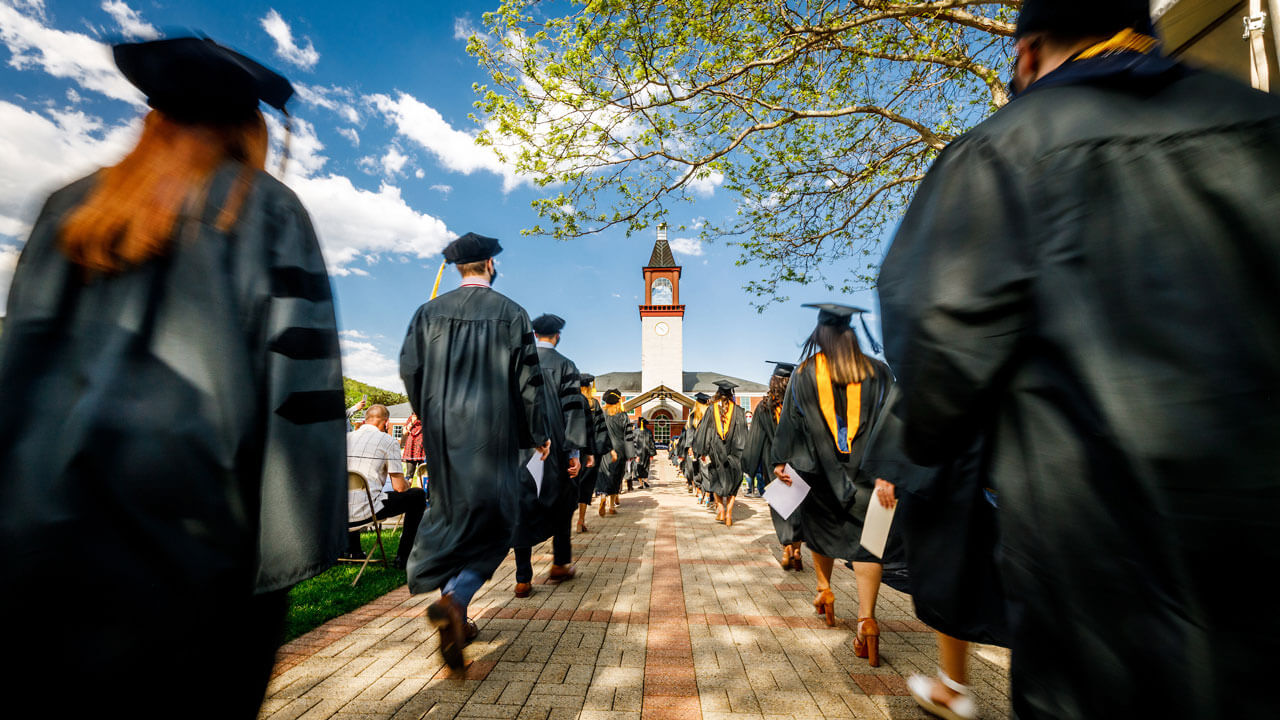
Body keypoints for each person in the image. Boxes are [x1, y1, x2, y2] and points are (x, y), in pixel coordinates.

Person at [877, 0, 1280, 716]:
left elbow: (936, 372)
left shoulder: (1002, 152)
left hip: (1107, 590)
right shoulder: (1259, 122)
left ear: (1026, 54)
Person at [0, 37, 345, 717]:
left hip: (45, 544)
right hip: (195, 551)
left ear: (152, 118)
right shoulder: (267, 209)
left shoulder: (67, 207)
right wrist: (288, 552)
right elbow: (296, 398)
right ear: (249, 128)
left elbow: (18, 377)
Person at [399, 231, 549, 670]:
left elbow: (411, 371)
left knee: (450, 517)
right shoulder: (511, 313)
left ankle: (455, 610)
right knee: (498, 523)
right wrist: (536, 434)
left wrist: (427, 412)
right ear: (489, 264)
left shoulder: (428, 312)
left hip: (444, 438)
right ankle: (457, 599)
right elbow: (528, 384)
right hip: (494, 435)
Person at [772, 304, 895, 666]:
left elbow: (791, 425)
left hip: (818, 472)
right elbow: (893, 422)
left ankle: (825, 591)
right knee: (870, 545)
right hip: (872, 475)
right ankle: (867, 619)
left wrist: (781, 461)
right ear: (852, 334)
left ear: (820, 336)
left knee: (821, 532)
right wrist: (890, 471)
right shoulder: (880, 372)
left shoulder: (804, 373)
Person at [511, 314, 586, 597]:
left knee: (522, 508)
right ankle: (559, 564)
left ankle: (522, 579)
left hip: (521, 450)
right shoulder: (566, 365)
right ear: (557, 336)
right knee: (563, 502)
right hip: (554, 450)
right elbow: (573, 411)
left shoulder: (518, 365)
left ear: (533, 333)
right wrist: (574, 452)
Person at [347, 405, 426, 570]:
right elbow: (399, 488)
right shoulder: (388, 441)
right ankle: (404, 558)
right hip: (367, 512)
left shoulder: (345, 438)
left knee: (351, 494)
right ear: (386, 423)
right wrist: (406, 482)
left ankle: (353, 551)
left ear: (364, 420)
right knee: (417, 496)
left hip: (338, 515)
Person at [743, 362, 803, 569]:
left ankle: (786, 548)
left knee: (780, 507)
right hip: (799, 462)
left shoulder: (763, 406)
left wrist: (749, 465)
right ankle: (797, 550)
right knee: (798, 507)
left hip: (773, 463)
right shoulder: (800, 403)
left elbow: (755, 438)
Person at [695, 380, 748, 525]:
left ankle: (721, 510)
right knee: (733, 484)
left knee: (716, 480)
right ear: (731, 395)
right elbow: (743, 435)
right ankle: (729, 514)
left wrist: (703, 451)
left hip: (716, 453)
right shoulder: (739, 411)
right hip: (735, 454)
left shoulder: (711, 410)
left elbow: (704, 432)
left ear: (718, 394)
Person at [575, 373, 608, 532]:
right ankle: (580, 520)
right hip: (590, 452)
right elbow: (602, 431)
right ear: (588, 387)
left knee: (570, 487)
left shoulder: (569, 401)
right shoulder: (593, 404)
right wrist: (598, 450)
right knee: (586, 487)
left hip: (572, 450)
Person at [594, 388, 633, 515]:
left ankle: (603, 497)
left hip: (604, 448)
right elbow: (628, 435)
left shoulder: (601, 414)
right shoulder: (623, 415)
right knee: (616, 476)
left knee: (604, 474)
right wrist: (630, 454)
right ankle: (611, 507)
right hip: (619, 449)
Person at [401, 412, 424, 480]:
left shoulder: (427, 417)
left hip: (423, 449)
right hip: (411, 448)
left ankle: (422, 490)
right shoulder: (411, 418)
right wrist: (412, 422)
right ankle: (407, 489)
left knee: (422, 475)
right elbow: (405, 432)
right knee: (409, 474)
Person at [633, 419, 656, 489]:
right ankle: (645, 481)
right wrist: (652, 453)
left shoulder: (635, 432)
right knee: (646, 467)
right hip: (646, 452)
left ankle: (641, 484)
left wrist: (634, 454)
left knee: (639, 467)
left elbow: (633, 443)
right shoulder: (648, 432)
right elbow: (651, 443)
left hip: (638, 453)